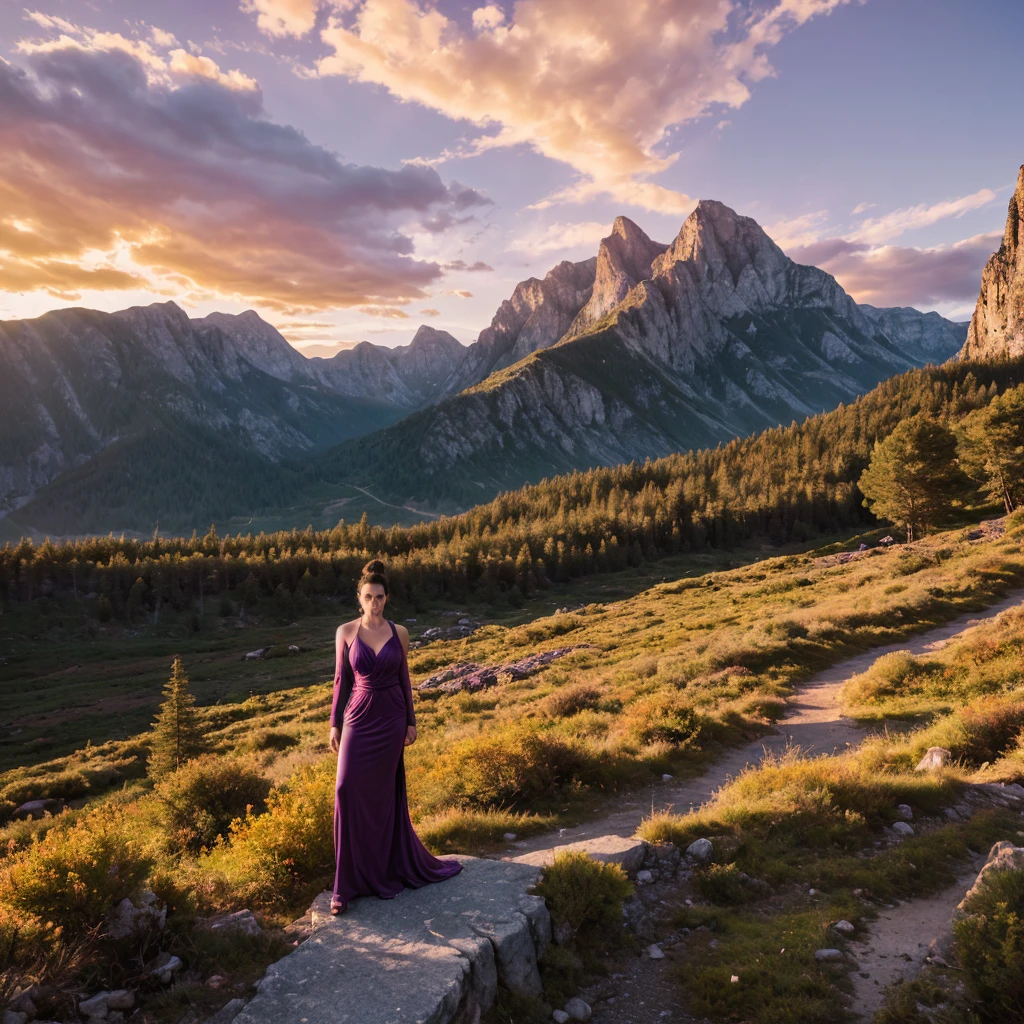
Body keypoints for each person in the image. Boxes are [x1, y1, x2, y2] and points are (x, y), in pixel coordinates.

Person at [328, 558, 463, 914]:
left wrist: (411, 722)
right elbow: (341, 683)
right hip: (358, 715)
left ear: (386, 598)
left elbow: (405, 681)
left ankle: (383, 869)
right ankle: (345, 884)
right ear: (359, 598)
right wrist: (334, 725)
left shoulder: (399, 633)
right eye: (368, 596)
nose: (374, 602)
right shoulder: (345, 632)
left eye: (379, 596)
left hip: (391, 718)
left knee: (384, 798)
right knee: (345, 789)